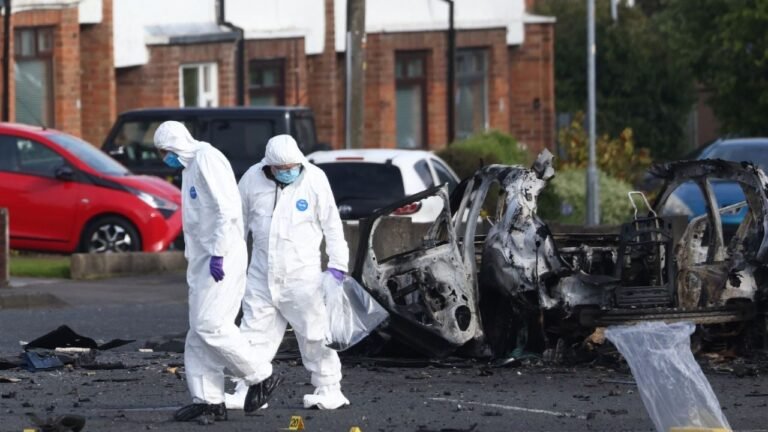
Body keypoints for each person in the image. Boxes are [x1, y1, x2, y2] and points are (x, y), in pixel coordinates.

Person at [153, 121, 283, 422]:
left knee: (211, 324)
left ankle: (261, 375)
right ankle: (208, 400)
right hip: (204, 259)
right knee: (198, 332)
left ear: (175, 144)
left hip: (221, 258)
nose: (164, 158)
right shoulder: (189, 167)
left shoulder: (206, 159)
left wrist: (219, 253)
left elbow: (227, 210)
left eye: (164, 151)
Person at [227, 134, 350, 410]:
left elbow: (332, 224)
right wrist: (230, 261)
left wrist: (338, 265)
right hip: (261, 275)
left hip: (303, 277)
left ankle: (329, 389)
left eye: (292, 167)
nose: (287, 172)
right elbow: (237, 224)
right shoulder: (251, 180)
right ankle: (248, 390)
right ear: (269, 165)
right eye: (281, 169)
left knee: (314, 335)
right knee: (252, 333)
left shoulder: (314, 179)